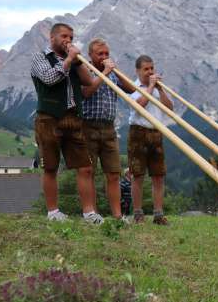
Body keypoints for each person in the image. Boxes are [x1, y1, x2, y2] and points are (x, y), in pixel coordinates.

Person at [30, 22, 102, 224]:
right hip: (49, 118)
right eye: (64, 36)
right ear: (52, 38)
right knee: (51, 167)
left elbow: (88, 82)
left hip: (73, 117)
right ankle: (53, 212)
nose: (68, 40)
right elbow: (49, 78)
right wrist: (69, 59)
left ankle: (89, 213)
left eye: (71, 37)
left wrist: (77, 61)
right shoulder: (40, 58)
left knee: (85, 167)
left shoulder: (74, 60)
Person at [81, 38, 136, 220]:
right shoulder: (84, 69)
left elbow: (130, 89)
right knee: (88, 171)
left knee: (113, 173)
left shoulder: (112, 72)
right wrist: (104, 72)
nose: (104, 57)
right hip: (88, 127)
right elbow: (86, 92)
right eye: (100, 54)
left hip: (109, 128)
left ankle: (117, 215)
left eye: (106, 53)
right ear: (91, 55)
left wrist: (116, 71)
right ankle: (91, 213)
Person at [128, 55, 173, 225]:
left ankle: (158, 214)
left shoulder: (158, 88)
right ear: (138, 71)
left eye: (152, 68)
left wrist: (160, 89)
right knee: (137, 174)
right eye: (146, 69)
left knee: (158, 175)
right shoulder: (133, 87)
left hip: (156, 132)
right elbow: (139, 106)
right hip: (138, 133)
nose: (150, 72)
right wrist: (151, 86)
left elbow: (169, 109)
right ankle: (138, 214)